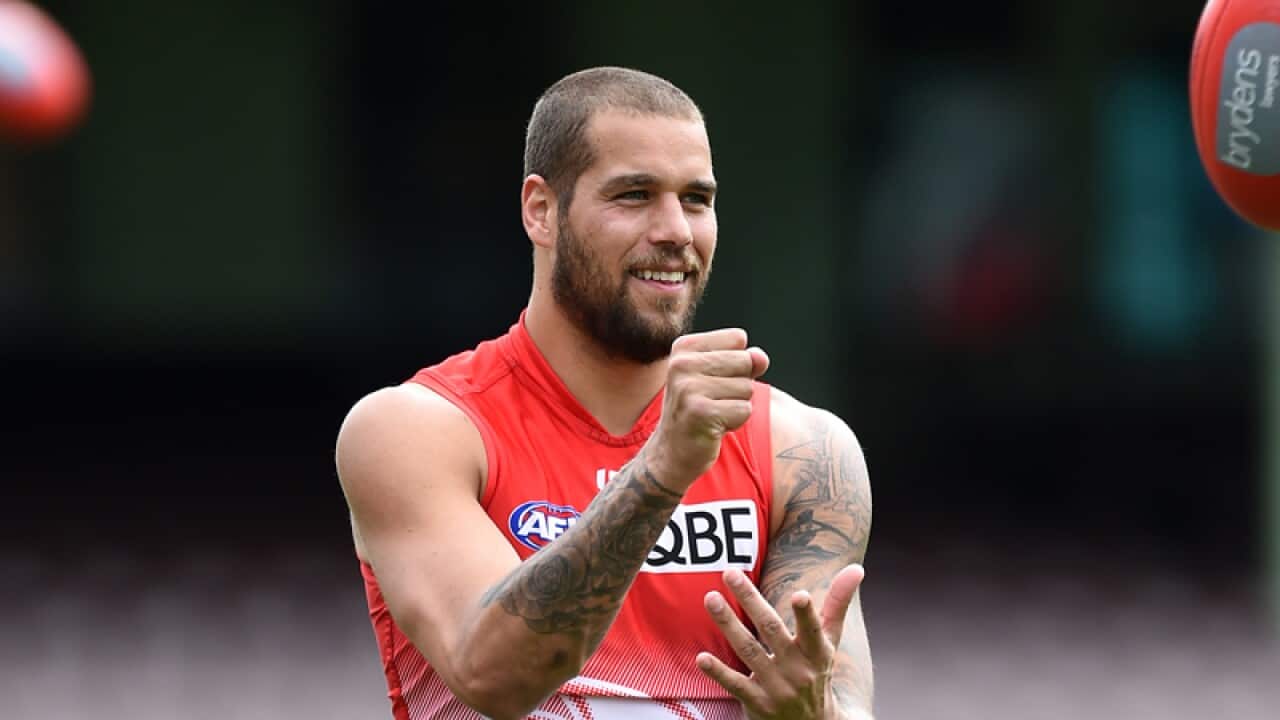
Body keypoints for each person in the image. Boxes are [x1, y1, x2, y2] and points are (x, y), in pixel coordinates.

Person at [335, 66, 874, 720]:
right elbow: (494, 676)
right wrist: (662, 470)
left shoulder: (802, 450)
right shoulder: (418, 431)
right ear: (541, 210)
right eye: (635, 195)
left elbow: (834, 700)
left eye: (697, 199)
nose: (676, 230)